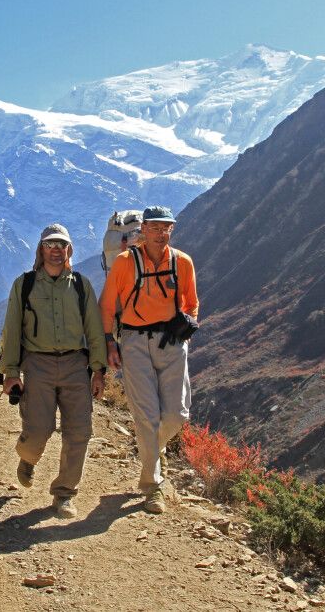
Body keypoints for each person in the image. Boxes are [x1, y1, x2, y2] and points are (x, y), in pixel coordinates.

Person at [0, 224, 106, 519]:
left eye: (62, 245)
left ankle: (64, 494)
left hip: (75, 366)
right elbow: (11, 328)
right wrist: (10, 371)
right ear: (41, 250)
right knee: (38, 430)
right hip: (38, 364)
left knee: (79, 432)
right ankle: (27, 457)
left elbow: (94, 330)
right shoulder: (26, 284)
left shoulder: (81, 286)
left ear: (69, 250)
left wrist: (98, 369)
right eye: (50, 245)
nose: (56, 250)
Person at [99, 206, 198, 514]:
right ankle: (152, 485)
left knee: (177, 415)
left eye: (166, 228)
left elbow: (192, 303)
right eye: (155, 228)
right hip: (134, 342)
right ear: (144, 230)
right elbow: (107, 304)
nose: (161, 233)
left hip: (171, 342)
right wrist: (108, 343)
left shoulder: (182, 262)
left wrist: (187, 330)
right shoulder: (126, 263)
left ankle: (152, 446)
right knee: (146, 415)